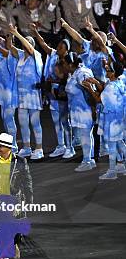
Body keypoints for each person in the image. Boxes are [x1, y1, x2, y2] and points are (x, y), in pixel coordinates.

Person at [32, 28, 75, 159]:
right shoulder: (54, 54)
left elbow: (67, 78)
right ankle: (61, 146)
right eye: (58, 46)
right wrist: (35, 33)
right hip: (52, 94)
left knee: (65, 122)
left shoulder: (69, 61)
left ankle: (70, 148)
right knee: (56, 122)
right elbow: (44, 45)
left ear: (66, 49)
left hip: (63, 95)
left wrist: (54, 80)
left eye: (61, 47)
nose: (58, 48)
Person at [82, 59, 126, 180]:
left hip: (112, 120)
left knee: (112, 145)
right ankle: (120, 167)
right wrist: (95, 82)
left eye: (109, 69)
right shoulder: (119, 82)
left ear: (113, 73)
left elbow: (98, 99)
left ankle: (112, 172)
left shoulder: (111, 87)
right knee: (119, 142)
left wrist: (89, 88)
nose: (106, 69)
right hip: (119, 118)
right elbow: (103, 87)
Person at [7, 24, 44, 159]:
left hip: (33, 95)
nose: (25, 45)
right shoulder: (21, 56)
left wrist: (17, 33)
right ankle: (27, 147)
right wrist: (11, 34)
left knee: (35, 123)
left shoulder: (36, 55)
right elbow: (10, 47)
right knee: (23, 122)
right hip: (21, 96)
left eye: (27, 42)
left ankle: (39, 149)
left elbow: (29, 47)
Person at [62, 53, 97, 172]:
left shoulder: (82, 73)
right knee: (86, 135)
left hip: (85, 110)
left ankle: (87, 161)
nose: (64, 66)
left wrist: (93, 109)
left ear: (71, 64)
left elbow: (90, 92)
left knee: (85, 136)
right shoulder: (75, 73)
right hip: (79, 110)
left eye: (65, 64)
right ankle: (90, 159)